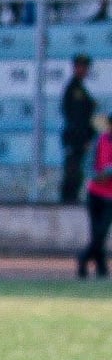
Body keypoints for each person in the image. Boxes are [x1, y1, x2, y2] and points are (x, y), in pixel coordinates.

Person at [77, 111, 112, 278]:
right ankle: (101, 268)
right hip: (95, 192)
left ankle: (83, 258)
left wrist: (107, 172)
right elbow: (88, 164)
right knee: (96, 232)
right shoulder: (100, 140)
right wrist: (97, 175)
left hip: (110, 196)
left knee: (101, 232)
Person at [61, 54, 97, 205]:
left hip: (79, 136)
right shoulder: (74, 89)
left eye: (86, 67)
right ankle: (68, 201)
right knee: (73, 171)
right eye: (81, 66)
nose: (84, 70)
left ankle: (70, 199)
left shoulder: (80, 88)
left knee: (76, 171)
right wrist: (84, 138)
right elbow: (77, 118)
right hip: (76, 137)